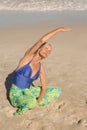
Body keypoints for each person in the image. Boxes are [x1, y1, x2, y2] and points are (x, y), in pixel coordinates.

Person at [9, 27, 71, 115]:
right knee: (31, 102)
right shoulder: (27, 58)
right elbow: (41, 41)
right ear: (39, 49)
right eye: (46, 49)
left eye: (50, 51)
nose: (47, 52)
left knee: (57, 90)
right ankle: (21, 111)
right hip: (16, 93)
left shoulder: (41, 67)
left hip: (28, 91)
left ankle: (32, 102)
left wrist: (38, 101)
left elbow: (44, 87)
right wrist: (58, 30)